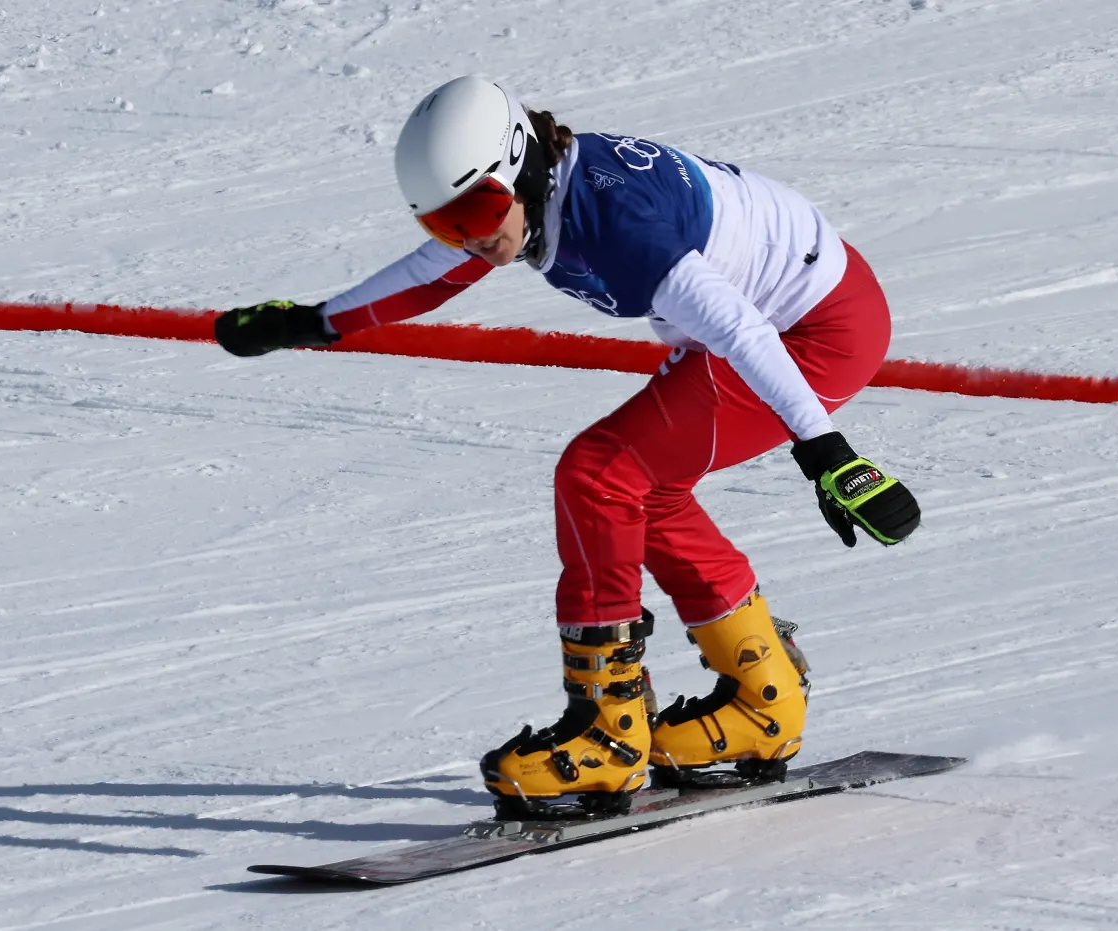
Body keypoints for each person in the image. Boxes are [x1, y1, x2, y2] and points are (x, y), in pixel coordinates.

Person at [214, 75, 920, 818]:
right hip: (799, 308)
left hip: (811, 332)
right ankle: (759, 698)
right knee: (640, 488)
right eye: (445, 223)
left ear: (519, 166)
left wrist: (828, 451)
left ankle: (609, 736)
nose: (474, 238)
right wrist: (316, 322)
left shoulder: (617, 224)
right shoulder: (529, 194)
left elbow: (741, 331)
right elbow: (435, 275)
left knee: (601, 474)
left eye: (480, 212)